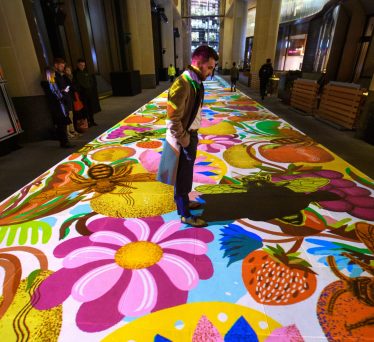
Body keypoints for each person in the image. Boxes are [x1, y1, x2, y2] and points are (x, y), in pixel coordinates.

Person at [157, 45, 219, 228]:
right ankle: (184, 213)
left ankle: (184, 201)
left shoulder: (195, 81)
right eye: (209, 67)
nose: (210, 72)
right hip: (184, 137)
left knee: (187, 172)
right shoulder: (182, 84)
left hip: (191, 134)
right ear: (198, 63)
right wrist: (185, 140)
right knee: (183, 176)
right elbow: (172, 119)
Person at [40, 67, 74, 148]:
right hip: (58, 106)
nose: (54, 74)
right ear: (49, 74)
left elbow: (56, 92)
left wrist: (62, 92)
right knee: (61, 125)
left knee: (62, 125)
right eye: (53, 73)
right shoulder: (50, 82)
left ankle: (64, 141)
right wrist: (62, 95)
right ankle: (64, 142)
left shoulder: (48, 82)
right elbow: (55, 94)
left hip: (58, 106)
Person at [54, 58, 80, 138]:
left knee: (70, 115)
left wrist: (66, 89)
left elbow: (68, 86)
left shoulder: (61, 76)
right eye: (61, 66)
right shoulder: (55, 76)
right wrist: (64, 90)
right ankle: (68, 133)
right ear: (56, 65)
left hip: (67, 98)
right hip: (62, 100)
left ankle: (71, 131)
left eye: (63, 66)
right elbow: (57, 88)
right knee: (66, 117)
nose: (63, 68)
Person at [74, 58, 100, 127]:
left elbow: (91, 81)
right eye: (81, 65)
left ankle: (92, 121)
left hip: (89, 92)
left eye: (83, 65)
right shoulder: (76, 73)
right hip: (82, 94)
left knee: (91, 107)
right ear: (78, 65)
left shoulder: (87, 72)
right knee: (85, 109)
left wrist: (90, 88)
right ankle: (87, 122)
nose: (82, 66)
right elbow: (77, 84)